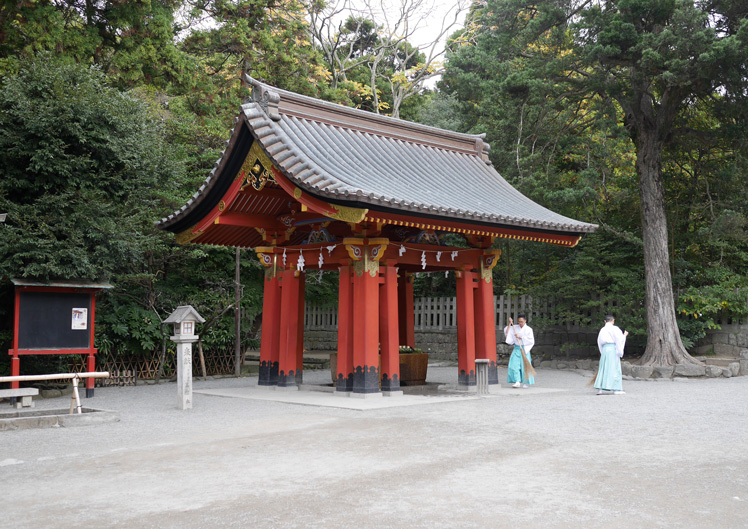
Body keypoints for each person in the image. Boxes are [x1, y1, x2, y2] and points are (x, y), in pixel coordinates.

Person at [595, 314, 629, 395]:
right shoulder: (615, 329)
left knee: (603, 369)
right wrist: (624, 335)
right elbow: (619, 339)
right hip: (612, 349)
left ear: (605, 321)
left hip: (605, 350)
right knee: (614, 368)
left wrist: (602, 351)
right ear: (613, 321)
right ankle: (616, 389)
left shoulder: (602, 330)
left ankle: (600, 389)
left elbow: (599, 342)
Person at [504, 314, 535, 388]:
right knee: (514, 365)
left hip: (524, 349)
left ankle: (525, 382)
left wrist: (520, 337)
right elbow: (507, 333)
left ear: (525, 321)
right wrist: (509, 323)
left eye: (521, 322)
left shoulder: (529, 329)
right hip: (517, 349)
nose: (520, 323)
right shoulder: (515, 327)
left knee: (525, 366)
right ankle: (517, 381)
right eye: (519, 322)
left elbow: (531, 340)